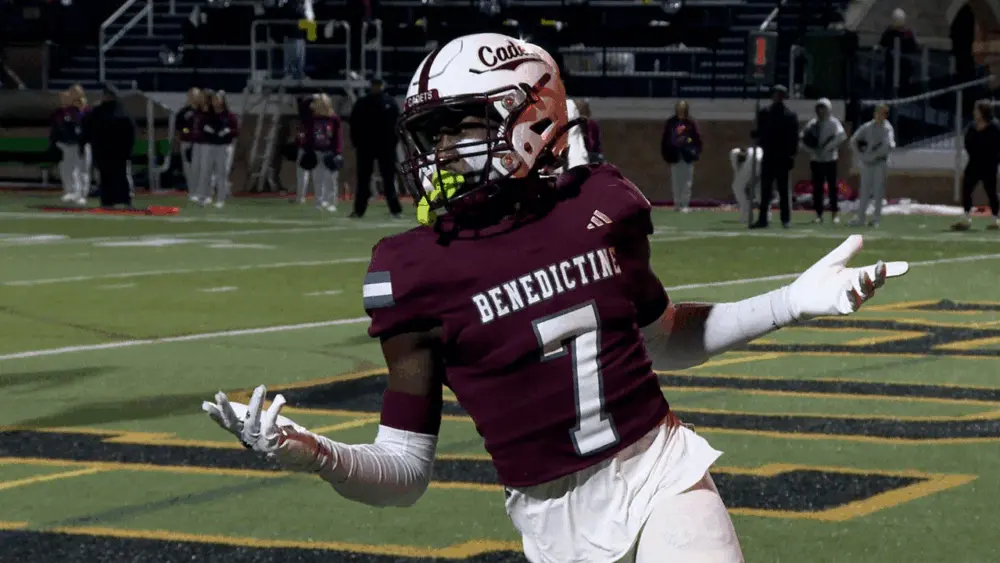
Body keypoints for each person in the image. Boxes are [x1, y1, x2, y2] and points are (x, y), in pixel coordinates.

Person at [202, 33, 910, 563]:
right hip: (546, 515)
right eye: (434, 133)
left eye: (463, 126)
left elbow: (663, 337)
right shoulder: (412, 269)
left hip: (658, 467)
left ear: (533, 116)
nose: (441, 150)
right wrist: (314, 453)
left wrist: (790, 300)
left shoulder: (599, 205)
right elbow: (406, 472)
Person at [349, 78, 403, 219]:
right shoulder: (362, 103)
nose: (376, 87)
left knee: (388, 179)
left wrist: (393, 142)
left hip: (385, 146)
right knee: (363, 179)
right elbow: (354, 124)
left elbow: (397, 124)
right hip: (366, 146)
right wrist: (356, 142)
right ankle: (359, 210)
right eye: (374, 85)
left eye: (378, 85)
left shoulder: (389, 103)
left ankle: (395, 210)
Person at [752, 85, 799, 229]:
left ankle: (786, 219)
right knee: (765, 190)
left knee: (783, 191)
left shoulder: (790, 115)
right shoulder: (764, 113)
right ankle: (763, 219)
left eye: (781, 94)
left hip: (783, 157)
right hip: (769, 155)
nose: (778, 97)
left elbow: (794, 139)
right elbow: (760, 133)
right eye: (776, 94)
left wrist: (791, 156)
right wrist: (755, 135)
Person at [81, 85, 136, 209]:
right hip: (115, 151)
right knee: (117, 176)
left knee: (110, 176)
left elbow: (88, 128)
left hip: (106, 151)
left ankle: (110, 200)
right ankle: (121, 199)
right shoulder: (121, 111)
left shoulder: (100, 112)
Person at [953, 99, 1000, 231]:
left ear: (983, 111)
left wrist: (995, 160)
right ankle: (966, 218)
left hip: (989, 165)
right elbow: (968, 144)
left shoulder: (995, 127)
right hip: (974, 163)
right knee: (966, 189)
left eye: (976, 110)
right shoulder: (972, 127)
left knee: (991, 192)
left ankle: (995, 220)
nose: (974, 113)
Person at [801, 98, 847, 224]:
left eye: (823, 108)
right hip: (816, 160)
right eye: (819, 108)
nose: (821, 111)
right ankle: (818, 214)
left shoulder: (833, 123)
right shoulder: (813, 123)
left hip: (830, 159)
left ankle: (834, 213)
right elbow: (802, 139)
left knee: (833, 188)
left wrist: (827, 147)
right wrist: (812, 149)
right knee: (817, 188)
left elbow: (841, 136)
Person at [850, 104, 895, 227]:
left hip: (880, 163)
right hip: (867, 163)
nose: (879, 115)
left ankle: (876, 219)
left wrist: (874, 154)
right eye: (877, 112)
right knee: (864, 191)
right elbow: (854, 140)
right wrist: (861, 154)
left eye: (882, 113)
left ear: (885, 115)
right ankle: (861, 218)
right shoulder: (868, 126)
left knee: (878, 192)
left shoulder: (887, 128)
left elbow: (889, 145)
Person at [661, 100, 702, 213]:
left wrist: (695, 151)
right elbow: (665, 139)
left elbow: (697, 138)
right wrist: (666, 153)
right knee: (676, 181)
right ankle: (677, 203)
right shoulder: (671, 122)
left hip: (687, 155)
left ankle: (684, 204)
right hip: (675, 155)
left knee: (687, 181)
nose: (681, 110)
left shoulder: (690, 122)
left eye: (683, 108)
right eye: (679, 108)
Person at [201, 91, 238, 209]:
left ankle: (221, 198)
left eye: (218, 99)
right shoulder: (209, 115)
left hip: (224, 146)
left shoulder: (229, 115)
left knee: (221, 173)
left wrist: (228, 131)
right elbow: (202, 127)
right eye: (214, 100)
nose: (216, 102)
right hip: (211, 145)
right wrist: (206, 130)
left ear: (223, 101)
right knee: (208, 171)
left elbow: (236, 131)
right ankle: (207, 196)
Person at [50, 90, 86, 206]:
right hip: (64, 144)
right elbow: (55, 128)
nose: (63, 100)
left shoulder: (75, 111)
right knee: (65, 169)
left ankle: (79, 194)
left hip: (75, 144)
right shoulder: (58, 112)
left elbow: (78, 127)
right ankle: (69, 191)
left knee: (77, 170)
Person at [178, 87, 203, 200]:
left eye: (196, 95)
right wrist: (188, 132)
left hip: (201, 143)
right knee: (188, 167)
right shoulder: (184, 112)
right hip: (187, 142)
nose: (193, 98)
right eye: (191, 95)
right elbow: (180, 127)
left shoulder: (204, 110)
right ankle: (192, 191)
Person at [730, 146, 762, 225]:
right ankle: (766, 215)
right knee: (758, 189)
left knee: (737, 187)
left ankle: (746, 213)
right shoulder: (756, 149)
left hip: (753, 160)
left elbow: (737, 171)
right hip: (764, 160)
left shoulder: (734, 153)